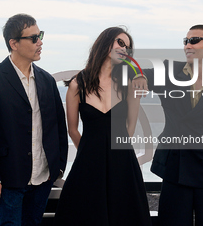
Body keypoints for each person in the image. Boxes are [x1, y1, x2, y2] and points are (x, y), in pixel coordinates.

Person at [133, 24, 203, 226]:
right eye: (186, 41)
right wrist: (139, 75)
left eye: (194, 40)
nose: (188, 45)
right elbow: (131, 70)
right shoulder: (168, 71)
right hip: (174, 168)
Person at [0, 13, 68, 226]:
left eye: (40, 35)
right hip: (8, 180)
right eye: (33, 38)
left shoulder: (46, 80)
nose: (40, 42)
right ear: (14, 43)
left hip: (42, 178)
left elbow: (58, 127)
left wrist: (58, 166)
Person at [54, 27, 152, 226]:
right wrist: (90, 152)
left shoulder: (130, 83)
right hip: (88, 164)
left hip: (123, 163)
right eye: (120, 42)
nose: (124, 49)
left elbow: (130, 126)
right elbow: (72, 129)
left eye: (128, 47)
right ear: (105, 43)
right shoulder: (77, 84)